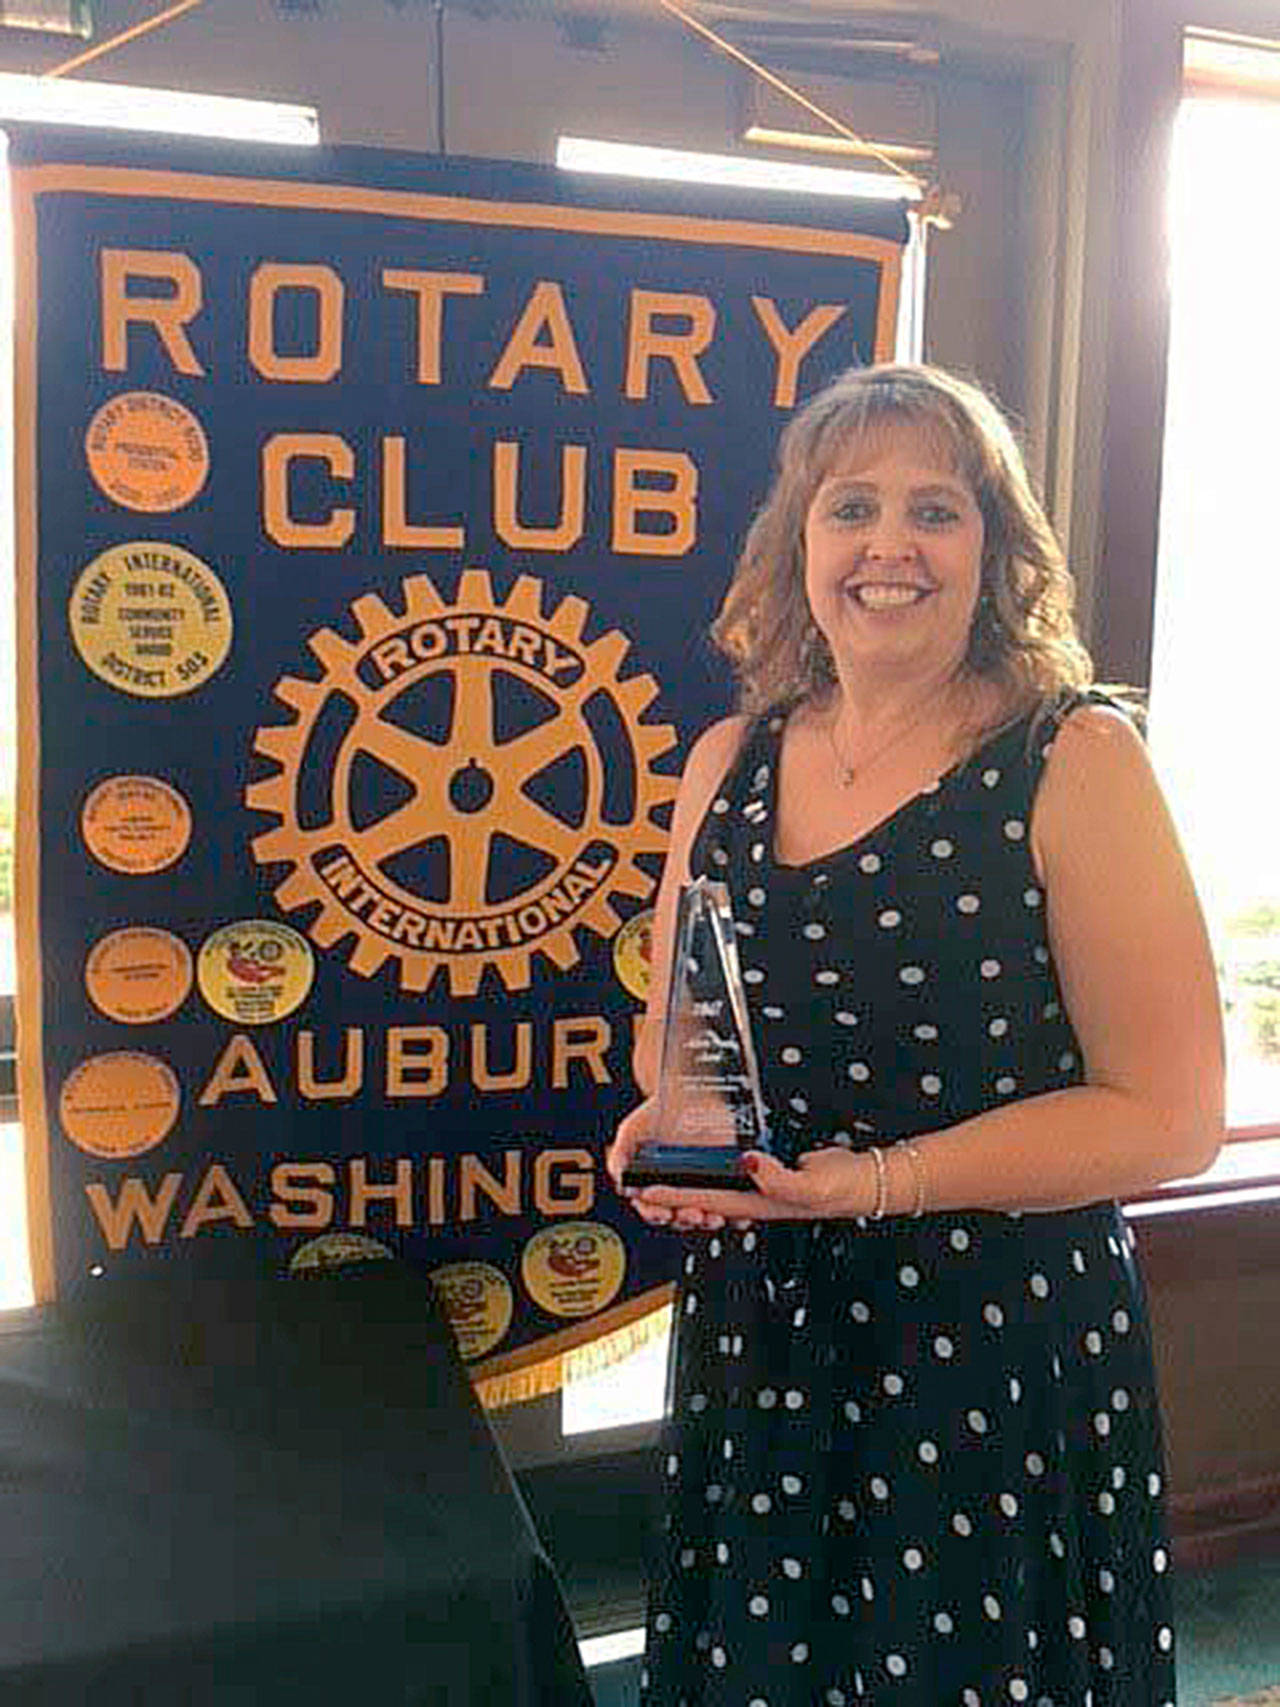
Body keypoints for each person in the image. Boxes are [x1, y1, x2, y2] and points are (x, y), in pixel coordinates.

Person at [605, 362, 1224, 1707]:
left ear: (993, 552)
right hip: (768, 1331)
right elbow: (684, 1033)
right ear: (800, 545)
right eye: (853, 507)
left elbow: (1170, 1116)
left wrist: (872, 1184)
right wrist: (670, 1126)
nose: (889, 545)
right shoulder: (730, 758)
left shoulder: (1076, 761)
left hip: (990, 1347)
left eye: (936, 510)